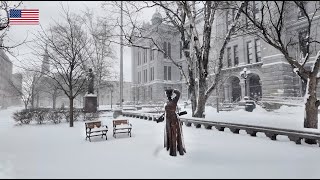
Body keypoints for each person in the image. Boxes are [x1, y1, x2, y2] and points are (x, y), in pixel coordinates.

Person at [163, 89, 186, 156]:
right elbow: (166, 112)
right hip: (168, 120)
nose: (167, 95)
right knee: (169, 134)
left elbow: (178, 93)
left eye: (168, 94)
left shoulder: (174, 100)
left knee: (173, 134)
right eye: (166, 94)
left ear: (171, 94)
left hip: (173, 120)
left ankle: (174, 150)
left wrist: (173, 90)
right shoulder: (167, 102)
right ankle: (169, 147)